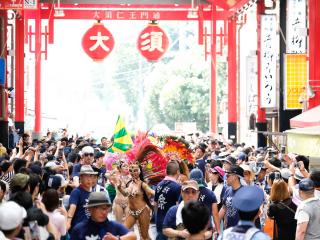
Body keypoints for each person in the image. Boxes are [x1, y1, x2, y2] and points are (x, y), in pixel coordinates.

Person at [70, 192, 136, 240]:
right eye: (100, 208)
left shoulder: (114, 226)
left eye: (106, 208)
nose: (104, 212)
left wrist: (118, 239)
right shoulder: (79, 229)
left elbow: (133, 236)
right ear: (90, 209)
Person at [116, 162, 155, 240]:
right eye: (131, 170)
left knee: (144, 236)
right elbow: (125, 194)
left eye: (135, 170)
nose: (133, 173)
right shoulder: (130, 183)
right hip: (132, 212)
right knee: (123, 231)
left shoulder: (142, 184)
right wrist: (119, 188)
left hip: (143, 211)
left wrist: (160, 193)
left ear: (139, 171)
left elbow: (151, 191)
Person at [154, 160, 181, 240]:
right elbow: (178, 207)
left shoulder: (159, 185)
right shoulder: (177, 187)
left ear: (166, 172)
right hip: (170, 224)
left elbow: (155, 205)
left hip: (159, 221)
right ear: (178, 172)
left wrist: (157, 218)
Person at [189, 168, 220, 235]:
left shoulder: (186, 193)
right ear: (202, 178)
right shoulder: (210, 194)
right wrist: (218, 231)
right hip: (207, 230)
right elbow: (215, 214)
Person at [67, 165, 98, 231]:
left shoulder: (93, 193)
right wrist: (68, 222)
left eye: (91, 176)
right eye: (86, 176)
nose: (89, 179)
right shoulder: (76, 192)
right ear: (81, 177)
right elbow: (72, 207)